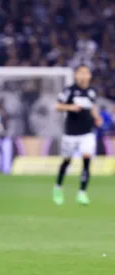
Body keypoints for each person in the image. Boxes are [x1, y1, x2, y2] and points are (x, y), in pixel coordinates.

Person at [54, 65, 102, 205]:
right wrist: (71, 107)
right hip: (71, 133)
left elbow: (92, 107)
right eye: (80, 72)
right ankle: (58, 188)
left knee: (86, 160)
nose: (83, 75)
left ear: (89, 76)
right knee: (67, 161)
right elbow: (57, 106)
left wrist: (97, 117)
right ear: (76, 75)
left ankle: (82, 192)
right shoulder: (69, 91)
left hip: (87, 133)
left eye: (86, 72)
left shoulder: (92, 92)